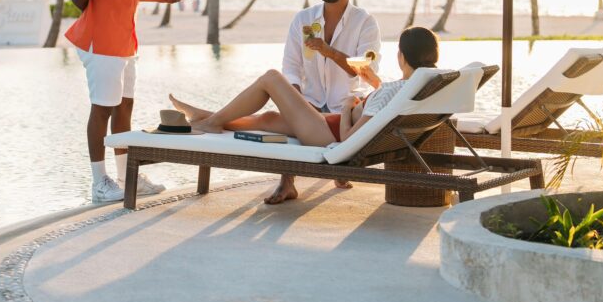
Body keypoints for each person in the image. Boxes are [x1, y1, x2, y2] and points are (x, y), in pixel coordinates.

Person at [169, 26, 441, 203]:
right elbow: (387, 102)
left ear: (401, 57)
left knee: (272, 79)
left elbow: (346, 140)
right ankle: (205, 117)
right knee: (268, 119)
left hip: (327, 133)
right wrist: (374, 85)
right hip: (328, 124)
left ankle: (212, 121)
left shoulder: (391, 92)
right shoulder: (423, 85)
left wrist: (347, 108)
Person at [66, 0, 186, 203]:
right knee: (102, 109)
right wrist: (102, 18)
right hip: (102, 42)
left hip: (124, 42)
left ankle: (125, 176)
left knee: (123, 107)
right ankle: (99, 183)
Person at [270, 0, 382, 203]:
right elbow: (291, 66)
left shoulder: (365, 22)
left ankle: (339, 168)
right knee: (288, 117)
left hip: (347, 107)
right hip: (309, 101)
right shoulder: (303, 19)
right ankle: (286, 184)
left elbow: (365, 70)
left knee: (342, 117)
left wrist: (327, 50)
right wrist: (297, 100)